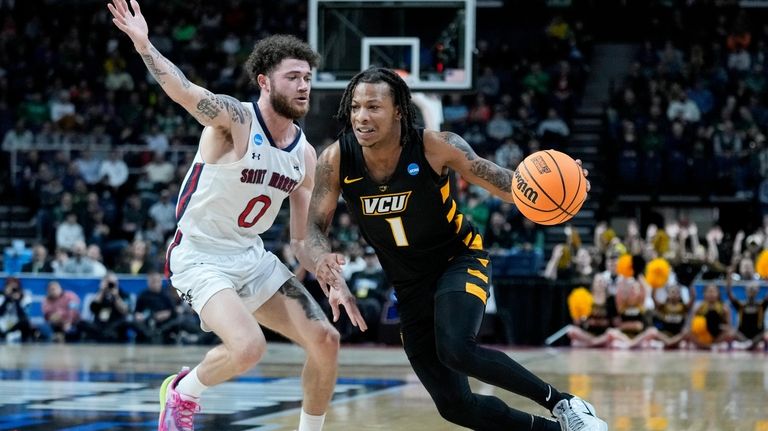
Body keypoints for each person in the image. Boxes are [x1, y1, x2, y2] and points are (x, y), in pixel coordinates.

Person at [107, 2, 366, 431]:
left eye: (307, 78)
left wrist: (327, 274)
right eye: (293, 78)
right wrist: (144, 44)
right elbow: (185, 90)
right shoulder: (235, 120)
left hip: (250, 256)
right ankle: (182, 392)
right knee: (249, 347)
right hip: (199, 256)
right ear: (265, 81)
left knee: (326, 340)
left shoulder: (304, 156)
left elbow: (301, 241)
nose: (304, 86)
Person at [304, 67, 607, 431]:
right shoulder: (336, 159)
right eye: (355, 107)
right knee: (454, 406)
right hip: (409, 286)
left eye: (373, 107)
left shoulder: (435, 145)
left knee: (456, 348)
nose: (361, 117)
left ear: (399, 109)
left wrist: (553, 186)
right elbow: (314, 227)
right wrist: (321, 257)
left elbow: (505, 182)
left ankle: (566, 404)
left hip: (457, 259)